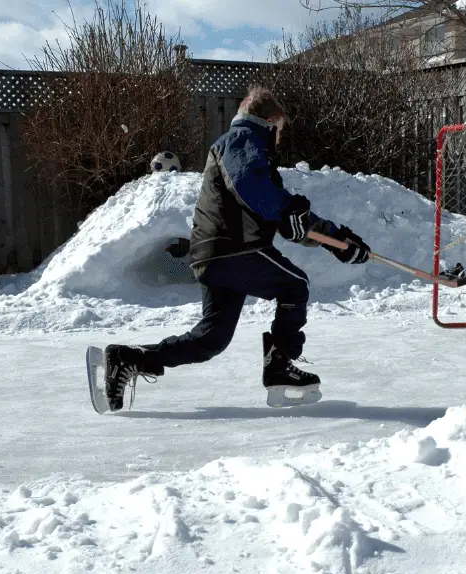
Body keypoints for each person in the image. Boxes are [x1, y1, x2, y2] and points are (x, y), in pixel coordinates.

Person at [101, 85, 371, 411]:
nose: (280, 139)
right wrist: (291, 213)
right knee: (294, 285)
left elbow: (286, 220)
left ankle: (129, 359)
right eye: (280, 130)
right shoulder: (243, 141)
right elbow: (253, 189)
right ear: (270, 122)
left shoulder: (245, 148)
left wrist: (337, 242)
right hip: (233, 248)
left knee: (209, 340)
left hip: (216, 254)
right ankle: (280, 367)